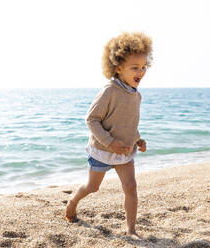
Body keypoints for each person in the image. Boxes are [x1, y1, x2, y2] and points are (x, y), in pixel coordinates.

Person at [65, 32, 153, 237]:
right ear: (118, 67)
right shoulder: (109, 91)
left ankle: (130, 230)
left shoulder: (136, 95)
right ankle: (73, 201)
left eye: (143, 67)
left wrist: (138, 139)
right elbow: (91, 119)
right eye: (135, 67)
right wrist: (110, 142)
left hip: (124, 151)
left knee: (131, 187)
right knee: (92, 187)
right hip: (102, 149)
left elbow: (129, 123)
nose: (140, 71)